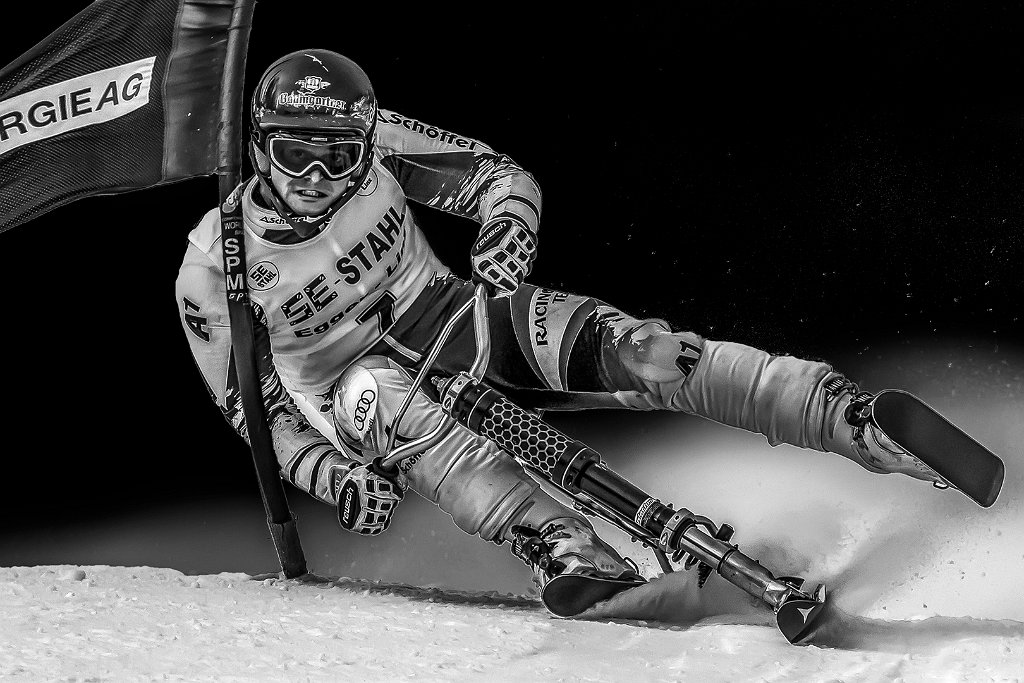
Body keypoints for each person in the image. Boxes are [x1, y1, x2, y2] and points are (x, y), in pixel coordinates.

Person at [175, 49, 942, 602]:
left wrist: (508, 224)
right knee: (379, 392)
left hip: (454, 318)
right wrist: (330, 476)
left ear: (364, 143)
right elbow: (254, 409)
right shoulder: (215, 265)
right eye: (294, 155)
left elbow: (496, 175)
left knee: (642, 351)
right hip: (355, 396)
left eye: (338, 157)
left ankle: (835, 412)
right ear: (258, 148)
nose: (316, 179)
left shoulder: (380, 144)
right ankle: (559, 539)